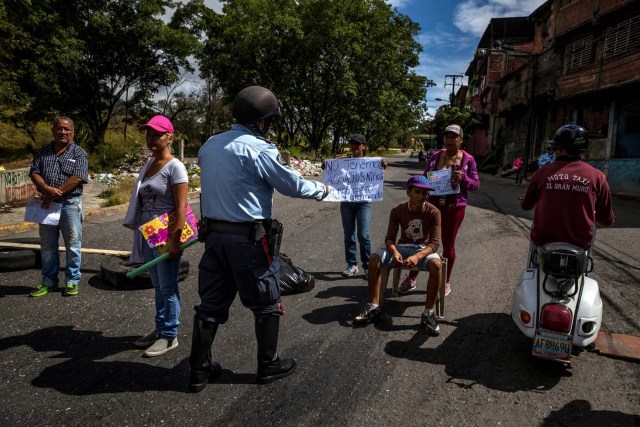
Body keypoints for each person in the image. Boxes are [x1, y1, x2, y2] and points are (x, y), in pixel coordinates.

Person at [190, 86, 329, 392]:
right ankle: (268, 365)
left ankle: (198, 370)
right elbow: (291, 185)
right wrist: (323, 190)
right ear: (261, 121)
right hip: (248, 242)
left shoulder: (210, 145)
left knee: (210, 305)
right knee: (266, 302)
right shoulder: (258, 149)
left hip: (214, 239)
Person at [123, 115, 188, 357]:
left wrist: (175, 239)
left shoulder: (175, 167)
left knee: (168, 286)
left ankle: (170, 336)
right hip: (148, 232)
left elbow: (181, 207)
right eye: (148, 134)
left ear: (169, 137)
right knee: (158, 286)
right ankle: (161, 328)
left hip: (166, 233)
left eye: (157, 134)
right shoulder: (149, 164)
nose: (151, 138)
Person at [353, 175, 442, 336]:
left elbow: (435, 243)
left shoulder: (433, 212)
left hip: (422, 249)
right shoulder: (398, 210)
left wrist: (417, 257)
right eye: (417, 192)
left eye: (425, 193)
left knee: (436, 265)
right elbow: (389, 239)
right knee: (374, 259)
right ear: (408, 192)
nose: (422, 196)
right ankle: (374, 307)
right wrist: (394, 252)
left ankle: (428, 313)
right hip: (401, 247)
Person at [400, 124, 480, 296]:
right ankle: (412, 278)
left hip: (454, 209)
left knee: (448, 244)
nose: (450, 139)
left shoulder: (468, 160)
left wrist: (463, 178)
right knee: (423, 241)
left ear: (461, 139)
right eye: (447, 136)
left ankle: (445, 281)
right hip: (433, 206)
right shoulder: (436, 156)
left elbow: (475, 184)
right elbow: (424, 178)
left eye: (454, 136)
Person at [521, 124, 615, 249]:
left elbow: (526, 206)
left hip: (543, 240)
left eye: (556, 146)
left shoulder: (541, 173)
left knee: (534, 260)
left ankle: (533, 267)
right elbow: (606, 220)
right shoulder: (598, 177)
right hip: (580, 243)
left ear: (560, 148)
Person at [28, 116, 88, 297]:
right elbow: (34, 173)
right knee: (47, 245)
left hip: (70, 204)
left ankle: (72, 281)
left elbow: (77, 178)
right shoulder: (43, 151)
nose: (63, 132)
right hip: (46, 204)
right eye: (59, 128)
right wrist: (46, 190)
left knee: (72, 244)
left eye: (67, 129)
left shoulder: (79, 153)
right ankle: (48, 282)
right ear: (53, 130)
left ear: (73, 132)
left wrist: (53, 194)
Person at [331, 134, 387, 277]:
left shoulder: (371, 163)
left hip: (363, 203)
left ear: (364, 146)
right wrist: (327, 167)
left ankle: (367, 265)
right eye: (353, 143)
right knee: (349, 235)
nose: (355, 146)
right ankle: (352, 264)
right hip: (347, 203)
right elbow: (334, 173)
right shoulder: (344, 162)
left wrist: (382, 165)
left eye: (358, 144)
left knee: (363, 235)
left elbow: (378, 173)